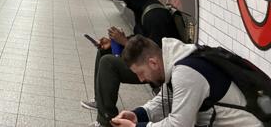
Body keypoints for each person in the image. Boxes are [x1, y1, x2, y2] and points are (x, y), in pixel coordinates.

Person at [82, 0, 180, 127]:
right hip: (147, 62)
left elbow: (155, 56)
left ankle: (107, 121)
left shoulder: (154, 16)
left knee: (108, 63)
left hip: (156, 71)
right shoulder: (142, 7)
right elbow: (140, 38)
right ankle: (100, 101)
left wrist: (124, 41)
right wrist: (116, 42)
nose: (123, 0)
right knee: (104, 51)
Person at [111, 35, 263, 127]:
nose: (141, 79)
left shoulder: (186, 73)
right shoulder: (177, 60)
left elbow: (179, 124)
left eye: (141, 73)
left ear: (153, 63)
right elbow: (164, 100)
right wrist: (138, 115)